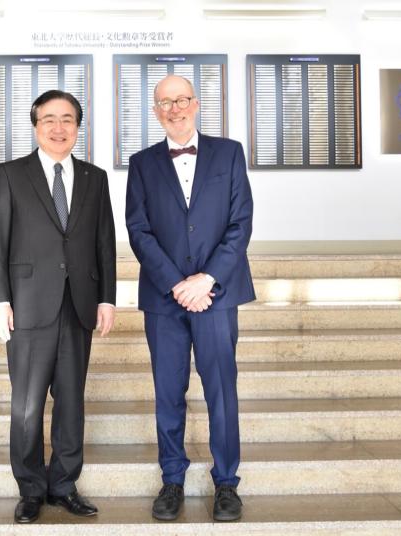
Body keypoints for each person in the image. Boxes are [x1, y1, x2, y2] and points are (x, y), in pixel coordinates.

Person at [125, 75, 255, 522]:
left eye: (181, 100)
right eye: (165, 102)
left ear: (196, 104)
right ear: (156, 111)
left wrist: (206, 280)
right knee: (168, 392)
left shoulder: (229, 152)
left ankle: (226, 483)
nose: (174, 108)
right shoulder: (141, 163)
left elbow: (241, 223)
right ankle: (172, 479)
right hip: (165, 299)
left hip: (217, 295)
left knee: (222, 391)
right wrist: (178, 284)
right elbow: (138, 231)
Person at [0, 89, 116, 524]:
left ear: (78, 127)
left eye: (68, 120)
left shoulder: (95, 178)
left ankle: (63, 484)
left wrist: (107, 298)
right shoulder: (10, 175)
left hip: (77, 304)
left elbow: (104, 243)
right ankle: (30, 489)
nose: (59, 128)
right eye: (49, 120)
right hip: (27, 305)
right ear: (35, 125)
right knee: (26, 404)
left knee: (71, 400)